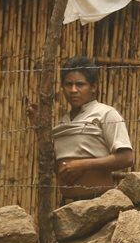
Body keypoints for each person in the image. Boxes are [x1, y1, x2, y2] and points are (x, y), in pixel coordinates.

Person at [51, 56, 134, 200]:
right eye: (68, 84)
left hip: (99, 203)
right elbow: (56, 167)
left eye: (80, 84)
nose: (73, 90)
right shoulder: (62, 123)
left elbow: (127, 158)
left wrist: (83, 165)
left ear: (93, 87)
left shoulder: (106, 114)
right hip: (67, 205)